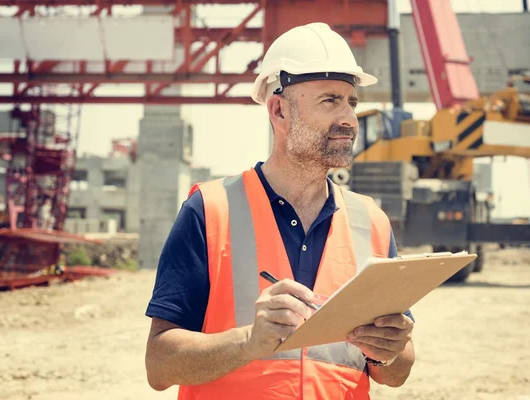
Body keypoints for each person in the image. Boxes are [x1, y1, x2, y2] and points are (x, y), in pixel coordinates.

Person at [144, 22, 415, 399]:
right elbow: (159, 366)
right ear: (279, 111)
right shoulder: (209, 210)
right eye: (330, 100)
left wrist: (391, 353)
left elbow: (396, 372)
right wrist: (248, 342)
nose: (350, 119)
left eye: (351, 102)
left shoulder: (372, 222)